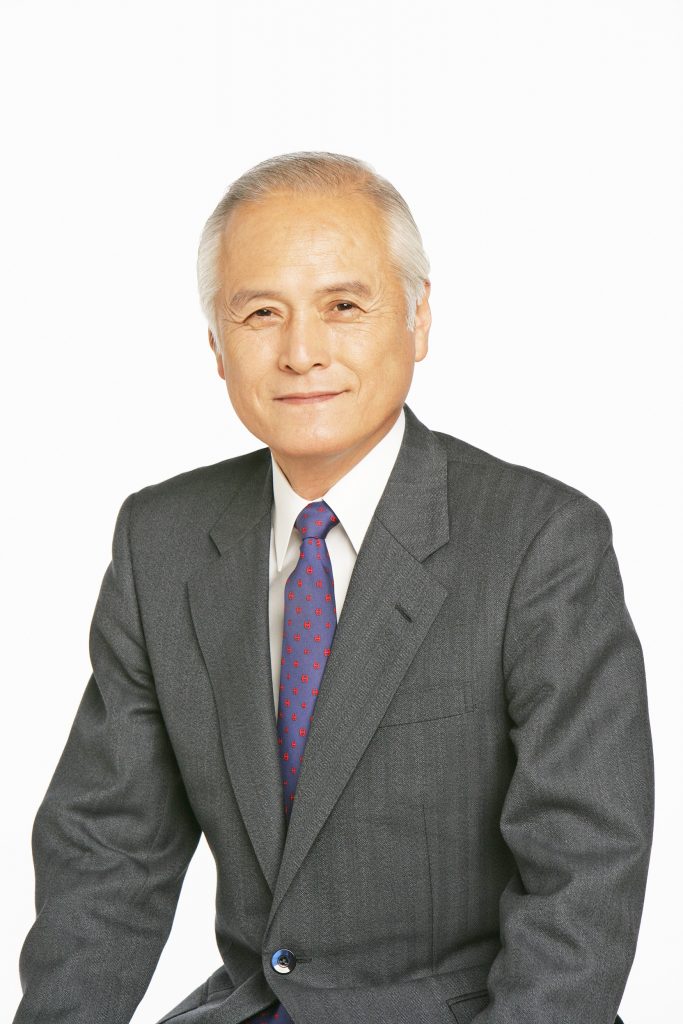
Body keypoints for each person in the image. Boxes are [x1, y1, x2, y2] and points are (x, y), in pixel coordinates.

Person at [13, 151, 653, 1024]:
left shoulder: (540, 543)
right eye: (259, 313)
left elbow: (584, 873)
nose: (300, 353)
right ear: (215, 344)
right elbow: (109, 853)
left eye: (343, 307)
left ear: (418, 319)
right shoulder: (161, 541)